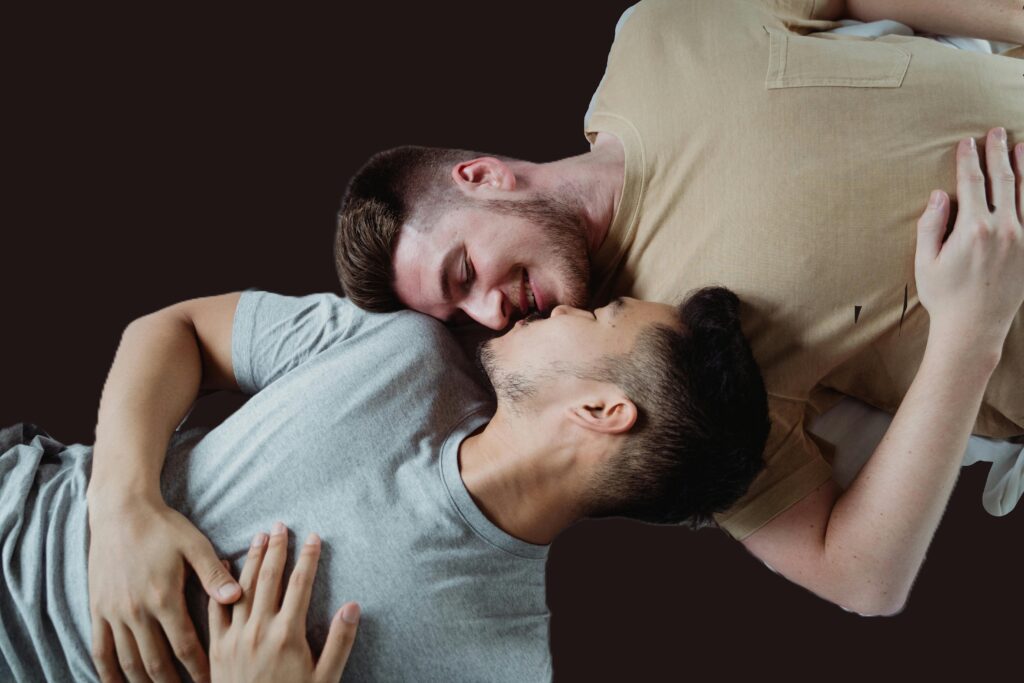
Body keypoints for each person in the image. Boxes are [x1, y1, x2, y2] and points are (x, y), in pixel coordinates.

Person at [333, 0, 1024, 616]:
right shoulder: (653, 363)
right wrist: (971, 332)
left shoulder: (658, 35)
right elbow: (858, 575)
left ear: (483, 177)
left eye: (463, 273)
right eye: (462, 318)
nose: (490, 315)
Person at [0, 280, 769, 680]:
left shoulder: (498, 664)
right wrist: (124, 502)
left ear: (602, 410)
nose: (568, 303)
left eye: (600, 315)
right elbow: (175, 331)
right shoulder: (404, 347)